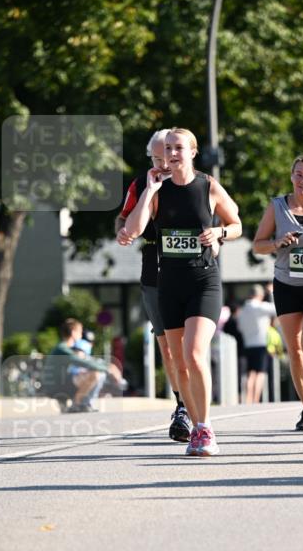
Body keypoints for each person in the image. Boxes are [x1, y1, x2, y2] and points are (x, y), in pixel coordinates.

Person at [124, 127, 241, 457]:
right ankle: (193, 423)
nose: (173, 153)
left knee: (193, 353)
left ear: (192, 152)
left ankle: (204, 428)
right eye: (168, 149)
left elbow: (237, 224)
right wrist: (149, 190)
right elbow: (133, 230)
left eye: (179, 148)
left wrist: (219, 231)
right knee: (178, 363)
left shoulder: (208, 186)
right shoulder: (158, 191)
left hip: (204, 282)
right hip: (169, 284)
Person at [252, 154, 303, 430]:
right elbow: (258, 245)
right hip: (287, 284)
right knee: (295, 350)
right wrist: (277, 242)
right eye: (299, 175)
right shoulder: (277, 206)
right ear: (292, 177)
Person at [116, 130, 191, 443]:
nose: (165, 162)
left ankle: (192, 405)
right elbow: (122, 221)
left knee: (189, 343)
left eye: (170, 155)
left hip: (190, 270)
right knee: (167, 346)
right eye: (159, 158)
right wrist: (124, 232)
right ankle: (181, 404)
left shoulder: (195, 182)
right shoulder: (141, 185)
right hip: (155, 269)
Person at [42, 318, 121, 412]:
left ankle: (81, 404)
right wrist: (108, 368)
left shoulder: (65, 348)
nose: (81, 334)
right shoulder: (62, 349)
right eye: (80, 331)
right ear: (73, 332)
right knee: (95, 374)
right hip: (57, 387)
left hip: (59, 383)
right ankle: (77, 404)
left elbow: (87, 360)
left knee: (93, 372)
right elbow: (83, 362)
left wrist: (107, 366)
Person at [236, 285, 277, 404]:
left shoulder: (243, 310)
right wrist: (272, 294)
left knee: (251, 373)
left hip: (248, 344)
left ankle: (248, 399)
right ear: (260, 295)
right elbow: (276, 309)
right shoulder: (260, 307)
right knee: (260, 373)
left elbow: (240, 327)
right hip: (261, 343)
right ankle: (255, 399)